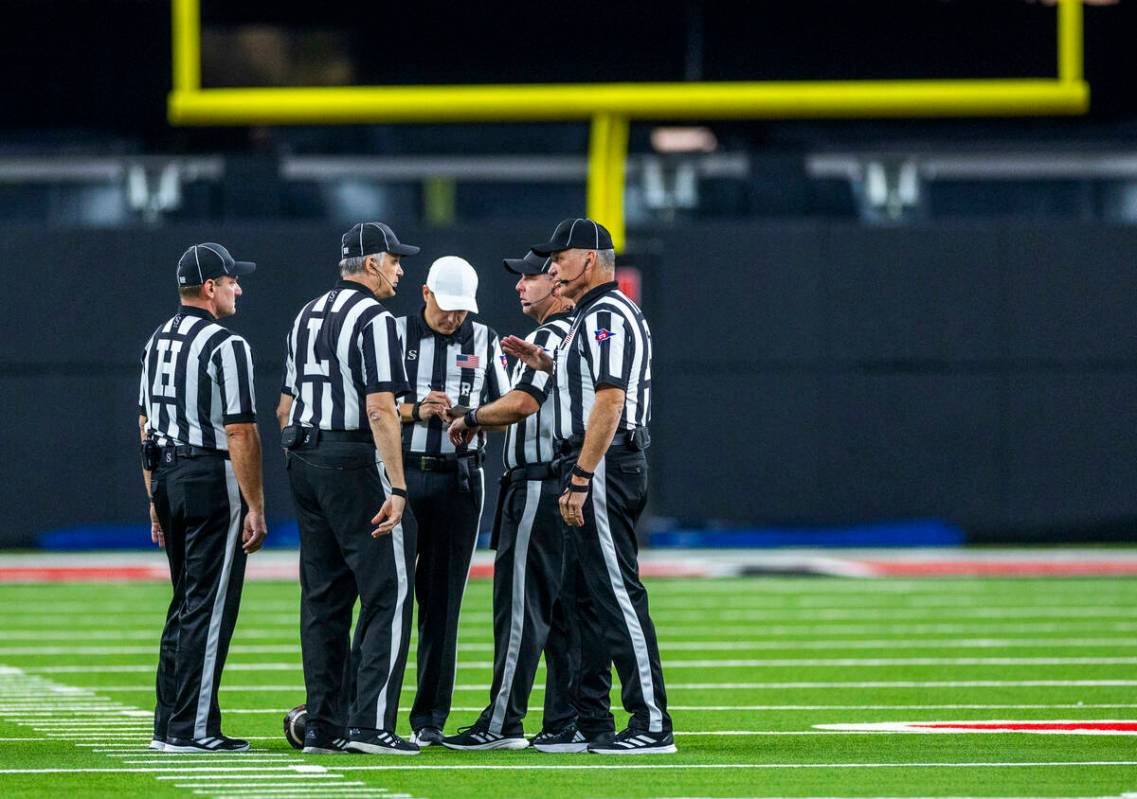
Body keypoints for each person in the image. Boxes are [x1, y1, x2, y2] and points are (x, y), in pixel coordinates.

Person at [502, 218, 675, 754]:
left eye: (561, 255)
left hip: (599, 464)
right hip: (590, 462)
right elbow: (589, 384)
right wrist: (547, 364)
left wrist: (580, 474)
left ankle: (651, 722)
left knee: (616, 594)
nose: (552, 266)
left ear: (592, 258)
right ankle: (590, 721)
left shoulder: (606, 313)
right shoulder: (589, 316)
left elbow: (609, 400)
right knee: (585, 599)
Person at [442, 250, 613, 752]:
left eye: (531, 277)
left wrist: (467, 417)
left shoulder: (549, 336)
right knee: (563, 610)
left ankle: (501, 722)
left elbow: (522, 404)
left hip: (537, 483)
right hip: (559, 481)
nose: (520, 286)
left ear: (557, 283)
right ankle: (565, 720)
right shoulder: (573, 336)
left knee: (520, 607)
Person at [276, 221, 418, 756]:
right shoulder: (376, 318)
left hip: (305, 457)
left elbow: (284, 406)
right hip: (351, 457)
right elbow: (381, 407)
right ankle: (371, 725)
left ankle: (323, 725)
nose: (401, 271)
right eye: (396, 261)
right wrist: (399, 486)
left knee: (323, 598)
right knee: (390, 591)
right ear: (373, 262)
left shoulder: (306, 314)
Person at [139, 242, 267, 754]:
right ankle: (191, 729)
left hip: (167, 473)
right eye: (233, 280)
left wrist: (153, 496)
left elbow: (145, 424)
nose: (240, 288)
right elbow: (239, 431)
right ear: (210, 287)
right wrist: (255, 504)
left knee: (186, 602)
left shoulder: (156, 340)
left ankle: (169, 722)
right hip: (209, 474)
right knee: (209, 606)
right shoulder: (225, 344)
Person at [393, 256, 509, 746]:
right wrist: (415, 411)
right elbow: (366, 402)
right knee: (388, 599)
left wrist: (470, 415)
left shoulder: (484, 339)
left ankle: (429, 718)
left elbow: (508, 407)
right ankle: (367, 712)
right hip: (400, 477)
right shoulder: (394, 334)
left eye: (462, 309)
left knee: (443, 604)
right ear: (425, 293)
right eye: (447, 307)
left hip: (458, 481)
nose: (454, 318)